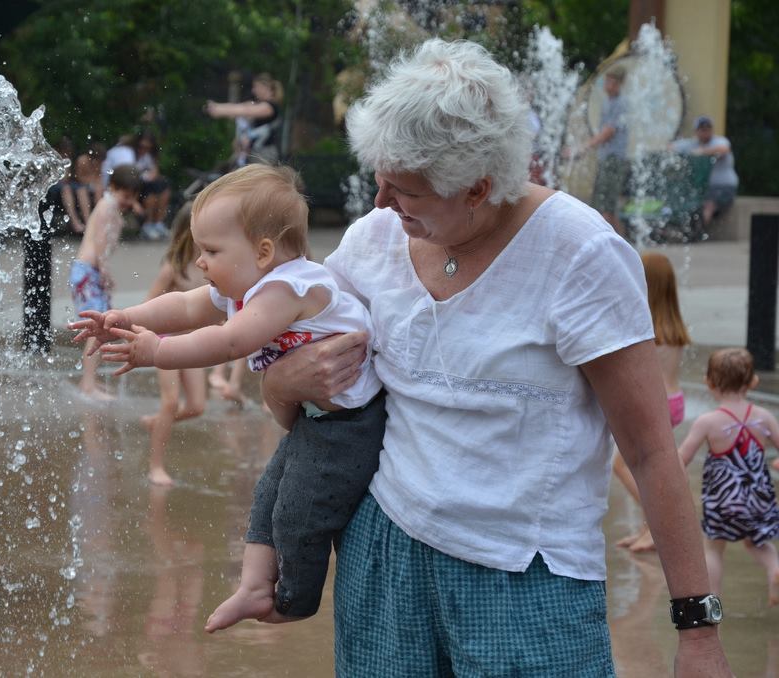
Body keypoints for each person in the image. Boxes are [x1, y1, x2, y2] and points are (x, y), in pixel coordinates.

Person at [255, 39, 730, 676]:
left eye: (405, 191)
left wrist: (697, 633)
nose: (379, 204)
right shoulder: (373, 240)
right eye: (380, 180)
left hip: (528, 580)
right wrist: (282, 382)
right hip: (384, 558)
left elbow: (649, 450)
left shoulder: (579, 253)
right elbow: (299, 401)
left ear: (478, 187)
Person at [69, 163, 386, 633]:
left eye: (211, 250)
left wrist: (157, 352)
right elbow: (184, 305)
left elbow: (232, 342)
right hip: (317, 419)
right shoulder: (248, 282)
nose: (200, 262)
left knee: (299, 509)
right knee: (266, 499)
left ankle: (295, 598)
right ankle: (254, 586)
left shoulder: (289, 287)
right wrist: (124, 316)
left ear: (262, 252)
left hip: (350, 427)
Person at [677, 348, 779, 606]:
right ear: (753, 381)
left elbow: (682, 457)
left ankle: (714, 602)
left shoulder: (708, 421)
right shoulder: (764, 417)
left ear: (708, 382)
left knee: (713, 547)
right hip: (758, 498)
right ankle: (775, 568)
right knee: (758, 542)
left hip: (723, 500)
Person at [614, 250, 692, 553]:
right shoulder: (673, 328)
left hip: (657, 406)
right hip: (675, 402)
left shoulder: (647, 329)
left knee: (623, 465)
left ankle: (654, 524)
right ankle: (648, 528)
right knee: (648, 465)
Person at [138, 203, 207, 486]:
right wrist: (144, 339)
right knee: (170, 402)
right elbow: (147, 305)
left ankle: (157, 424)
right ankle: (156, 467)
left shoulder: (205, 265)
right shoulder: (173, 267)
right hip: (164, 341)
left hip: (189, 344)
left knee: (197, 406)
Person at [69, 163, 142, 401]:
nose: (128, 202)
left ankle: (90, 381)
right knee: (97, 328)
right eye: (126, 196)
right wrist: (104, 271)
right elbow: (100, 242)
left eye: (132, 197)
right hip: (88, 271)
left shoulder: (110, 205)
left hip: (90, 271)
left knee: (104, 327)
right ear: (113, 188)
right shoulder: (107, 206)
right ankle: (88, 384)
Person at [568, 65, 629, 237]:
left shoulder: (621, 104)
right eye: (606, 80)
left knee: (606, 208)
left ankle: (616, 244)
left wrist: (583, 147)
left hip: (614, 159)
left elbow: (608, 132)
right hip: (606, 158)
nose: (607, 84)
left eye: (611, 81)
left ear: (619, 83)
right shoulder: (607, 102)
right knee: (603, 206)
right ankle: (621, 243)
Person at [672, 116, 739, 228]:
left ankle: (698, 232)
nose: (705, 132)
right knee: (685, 200)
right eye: (702, 129)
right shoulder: (693, 143)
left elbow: (724, 149)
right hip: (705, 188)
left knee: (709, 204)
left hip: (724, 187)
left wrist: (702, 151)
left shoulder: (719, 141)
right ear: (696, 131)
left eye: (708, 129)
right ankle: (680, 229)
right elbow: (671, 147)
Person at [205, 73, 284, 165]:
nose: (253, 90)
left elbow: (246, 110)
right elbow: (239, 106)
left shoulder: (269, 107)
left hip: (264, 154)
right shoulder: (259, 104)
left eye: (256, 87)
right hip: (254, 153)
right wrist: (218, 106)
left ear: (265, 87)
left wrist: (220, 111)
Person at [135, 131, 172, 241]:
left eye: (148, 147)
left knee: (164, 188)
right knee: (151, 193)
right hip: (137, 188)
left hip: (149, 185)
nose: (144, 149)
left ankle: (158, 222)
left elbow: (155, 173)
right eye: (142, 146)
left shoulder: (150, 157)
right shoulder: (131, 155)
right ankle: (148, 224)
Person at [74, 142, 106, 227]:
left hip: (92, 185)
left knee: (99, 189)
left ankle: (100, 219)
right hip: (78, 185)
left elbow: (99, 178)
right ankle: (88, 221)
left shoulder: (100, 162)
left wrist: (95, 183)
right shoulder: (82, 160)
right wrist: (91, 181)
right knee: (82, 191)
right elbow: (78, 178)